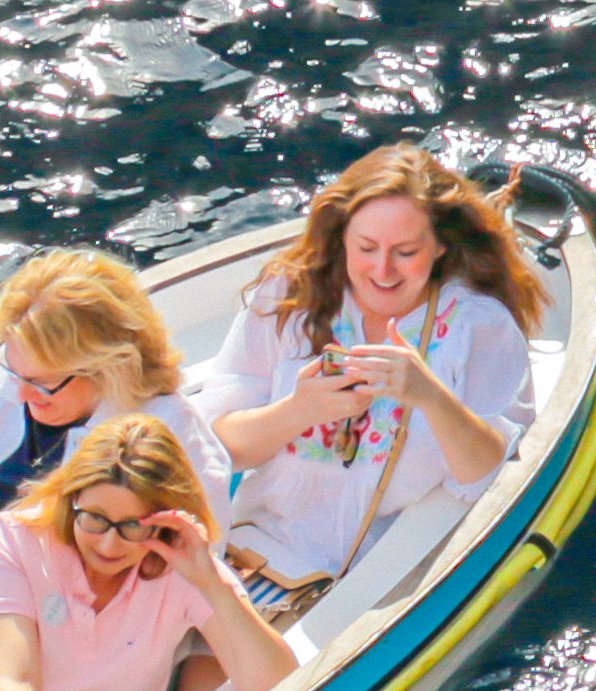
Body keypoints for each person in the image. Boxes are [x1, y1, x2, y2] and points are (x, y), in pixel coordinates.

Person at [193, 148, 545, 621]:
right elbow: (219, 446)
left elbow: (489, 476)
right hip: (254, 552)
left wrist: (431, 397)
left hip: (372, 582)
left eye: (406, 252)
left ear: (440, 245)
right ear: (341, 239)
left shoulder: (476, 326)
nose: (383, 270)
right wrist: (298, 410)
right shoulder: (288, 298)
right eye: (366, 249)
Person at [0, 254, 213, 691]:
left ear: (109, 364)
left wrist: (7, 578)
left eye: (44, 381)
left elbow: (177, 578)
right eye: (16, 370)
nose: (20, 391)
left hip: (38, 633)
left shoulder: (169, 438)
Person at [0, 418, 289, 691]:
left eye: (132, 526)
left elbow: (279, 685)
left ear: (164, 523)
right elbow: (15, 681)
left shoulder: (184, 566)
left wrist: (211, 584)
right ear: (71, 499)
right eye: (95, 519)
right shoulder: (18, 538)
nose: (108, 544)